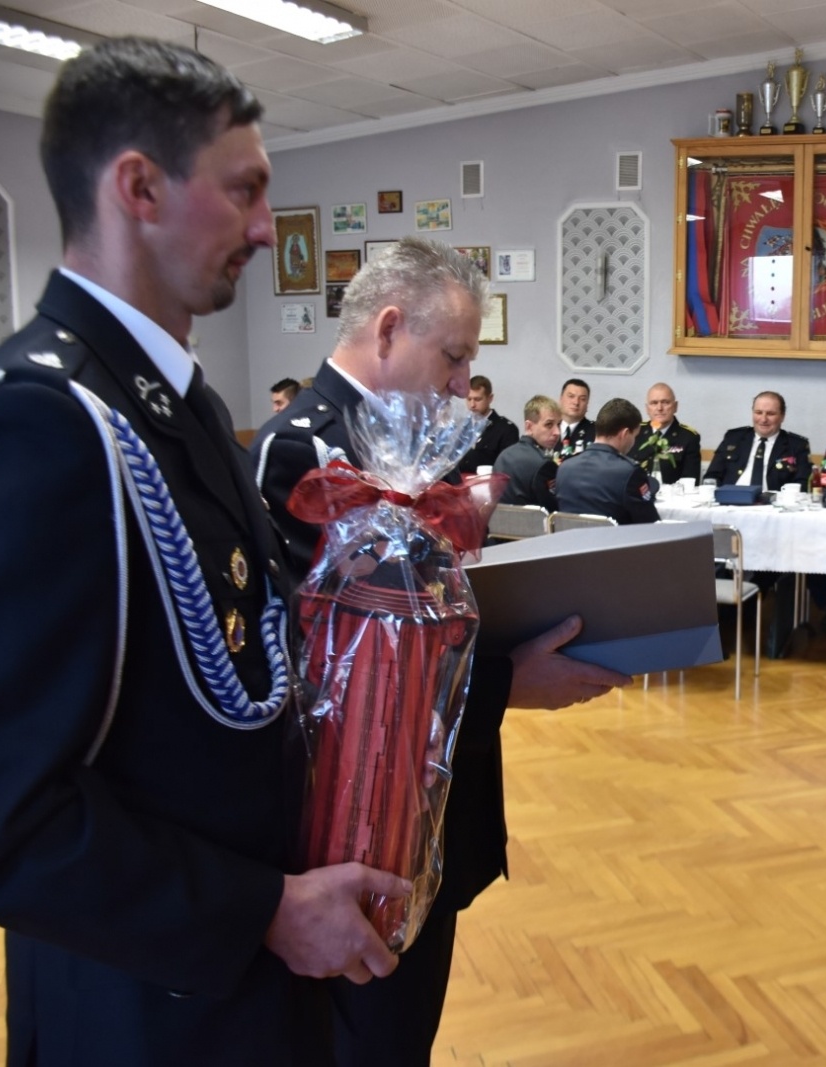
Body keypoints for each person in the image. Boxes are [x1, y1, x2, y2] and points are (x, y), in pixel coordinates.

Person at [0, 37, 407, 1066]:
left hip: (231, 983)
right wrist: (258, 909)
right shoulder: (51, 412)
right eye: (246, 191)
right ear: (139, 187)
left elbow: (245, 654)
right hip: (140, 1001)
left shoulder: (172, 394)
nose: (266, 229)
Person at [252, 236, 629, 1066]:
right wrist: (503, 682)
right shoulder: (304, 451)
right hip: (357, 828)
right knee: (365, 1037)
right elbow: (325, 673)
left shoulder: (407, 442)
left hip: (431, 808)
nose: (465, 385)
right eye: (455, 356)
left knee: (405, 1030)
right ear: (388, 328)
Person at [555, 398, 659, 524]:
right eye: (634, 436)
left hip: (571, 541)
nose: (633, 442)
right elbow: (649, 523)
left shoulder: (564, 467)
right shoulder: (629, 472)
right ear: (625, 434)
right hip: (615, 542)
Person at [703, 390, 812, 493]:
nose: (763, 419)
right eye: (758, 412)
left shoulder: (797, 445)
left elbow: (802, 485)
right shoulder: (733, 438)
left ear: (782, 416)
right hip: (729, 502)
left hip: (773, 507)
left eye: (770, 414)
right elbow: (711, 476)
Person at [494, 394, 560, 509]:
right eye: (549, 424)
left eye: (558, 425)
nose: (557, 432)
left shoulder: (503, 456)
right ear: (529, 427)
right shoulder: (544, 464)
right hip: (534, 526)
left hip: (499, 525)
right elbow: (553, 511)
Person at [632, 381, 701, 484]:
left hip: (672, 497)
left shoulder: (688, 437)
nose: (659, 408)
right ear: (647, 409)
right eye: (654, 403)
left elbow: (690, 480)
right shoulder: (635, 432)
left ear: (675, 406)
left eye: (665, 402)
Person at [456, 373, 520, 474]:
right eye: (469, 399)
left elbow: (507, 469)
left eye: (477, 399)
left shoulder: (506, 430)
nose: (472, 405)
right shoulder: (460, 427)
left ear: (490, 398)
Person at [557, 377, 593, 458]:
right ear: (561, 399)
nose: (576, 402)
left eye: (582, 399)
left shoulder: (596, 432)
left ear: (587, 404)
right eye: (571, 396)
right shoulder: (549, 429)